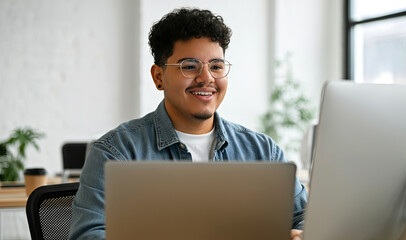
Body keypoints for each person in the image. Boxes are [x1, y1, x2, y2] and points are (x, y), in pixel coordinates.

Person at [69, 7, 307, 240]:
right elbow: (88, 235)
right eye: (190, 66)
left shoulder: (263, 152)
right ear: (158, 77)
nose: (206, 78)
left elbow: (305, 216)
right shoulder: (116, 152)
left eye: (216, 66)